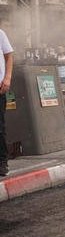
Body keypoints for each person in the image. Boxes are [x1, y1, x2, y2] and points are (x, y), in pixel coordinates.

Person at [0, 26, 12, 176]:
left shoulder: (1, 33)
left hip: (0, 87)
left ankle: (2, 162)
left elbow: (9, 56)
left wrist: (7, 77)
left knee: (0, 127)